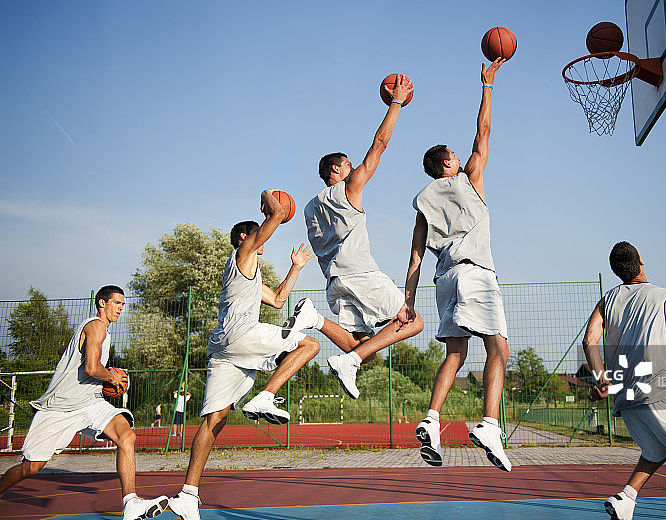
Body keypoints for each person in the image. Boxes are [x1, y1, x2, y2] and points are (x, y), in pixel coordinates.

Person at [169, 190, 321, 520]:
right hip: (240, 334)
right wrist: (267, 197)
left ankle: (187, 494)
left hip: (224, 346)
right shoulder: (243, 252)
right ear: (244, 236)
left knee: (214, 419)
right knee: (310, 345)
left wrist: (295, 267)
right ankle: (266, 396)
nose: (261, 236)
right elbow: (278, 214)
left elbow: (279, 300)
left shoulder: (247, 273)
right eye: (256, 231)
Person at [397, 58, 511, 471]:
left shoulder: (424, 201)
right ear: (448, 163)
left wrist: (407, 301)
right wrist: (488, 85)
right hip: (475, 272)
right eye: (453, 155)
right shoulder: (469, 179)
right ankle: (489, 423)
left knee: (456, 353)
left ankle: (431, 419)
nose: (461, 156)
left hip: (442, 278)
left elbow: (414, 255)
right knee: (499, 348)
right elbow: (484, 131)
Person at [0, 285, 169, 520]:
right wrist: (112, 376)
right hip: (60, 408)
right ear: (102, 302)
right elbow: (92, 368)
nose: (121, 308)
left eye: (123, 304)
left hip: (90, 402)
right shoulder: (96, 326)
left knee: (126, 436)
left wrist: (70, 353)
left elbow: (67, 352)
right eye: (116, 303)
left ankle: (131, 504)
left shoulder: (96, 331)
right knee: (32, 467)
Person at [304, 75, 424, 399]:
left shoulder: (309, 208)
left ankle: (314, 319)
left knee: (360, 346)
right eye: (347, 165)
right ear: (336, 172)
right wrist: (396, 103)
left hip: (334, 281)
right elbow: (379, 147)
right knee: (412, 321)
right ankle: (350, 361)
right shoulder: (349, 189)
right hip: (360, 273)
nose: (353, 167)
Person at [582, 241, 666, 520]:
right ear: (641, 261)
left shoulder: (608, 300)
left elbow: (589, 340)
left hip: (625, 397)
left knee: (657, 448)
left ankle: (627, 496)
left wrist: (602, 378)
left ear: (616, 271)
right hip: (658, 391)